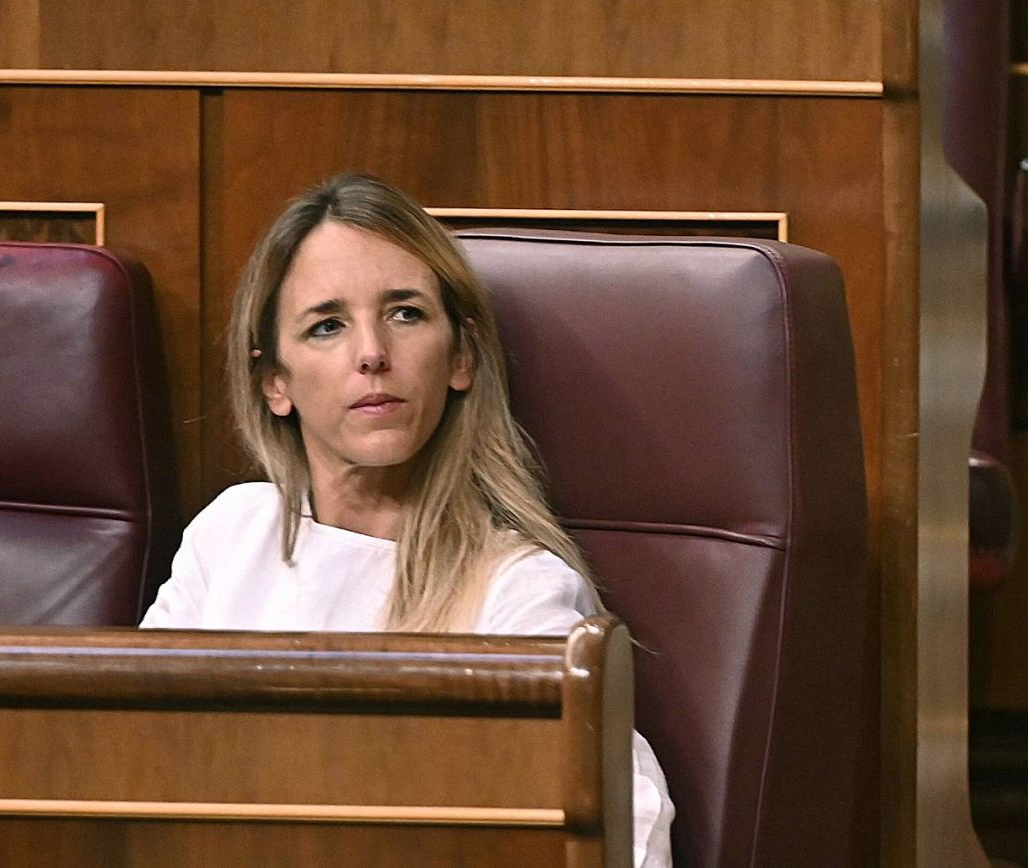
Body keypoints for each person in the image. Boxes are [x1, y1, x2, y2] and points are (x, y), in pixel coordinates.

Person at [141, 173, 673, 866]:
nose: (372, 353)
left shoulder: (516, 588)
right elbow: (133, 768)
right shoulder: (229, 534)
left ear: (461, 357)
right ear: (275, 383)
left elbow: (628, 835)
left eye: (405, 314)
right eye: (327, 325)